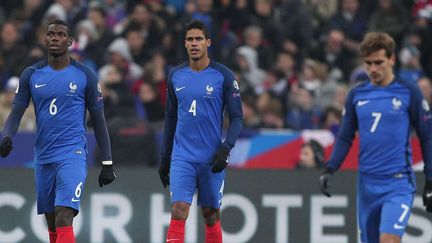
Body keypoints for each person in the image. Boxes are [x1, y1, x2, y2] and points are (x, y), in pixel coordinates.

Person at [0, 20, 116, 243]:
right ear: (45, 40)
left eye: (61, 35)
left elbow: (99, 121)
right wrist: (6, 136)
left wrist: (108, 163)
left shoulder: (85, 75)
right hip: (43, 156)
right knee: (52, 221)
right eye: (51, 34)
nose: (55, 38)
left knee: (64, 215)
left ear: (70, 41)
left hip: (72, 154)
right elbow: (15, 113)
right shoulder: (31, 75)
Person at [319, 32, 432, 243]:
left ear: (392, 60)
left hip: (398, 183)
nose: (373, 69)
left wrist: (431, 180)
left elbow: (427, 137)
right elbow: (345, 136)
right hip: (367, 185)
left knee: (389, 240)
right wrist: (330, 167)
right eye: (368, 63)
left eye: (379, 62)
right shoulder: (356, 94)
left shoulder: (409, 92)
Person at [158, 20, 243, 243]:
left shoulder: (223, 76)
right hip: (182, 157)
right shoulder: (175, 76)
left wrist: (226, 148)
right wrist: (165, 157)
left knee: (210, 215)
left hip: (210, 157)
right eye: (190, 40)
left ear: (208, 43)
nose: (194, 44)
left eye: (198, 39)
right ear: (185, 44)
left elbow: (237, 117)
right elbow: (171, 118)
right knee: (178, 210)